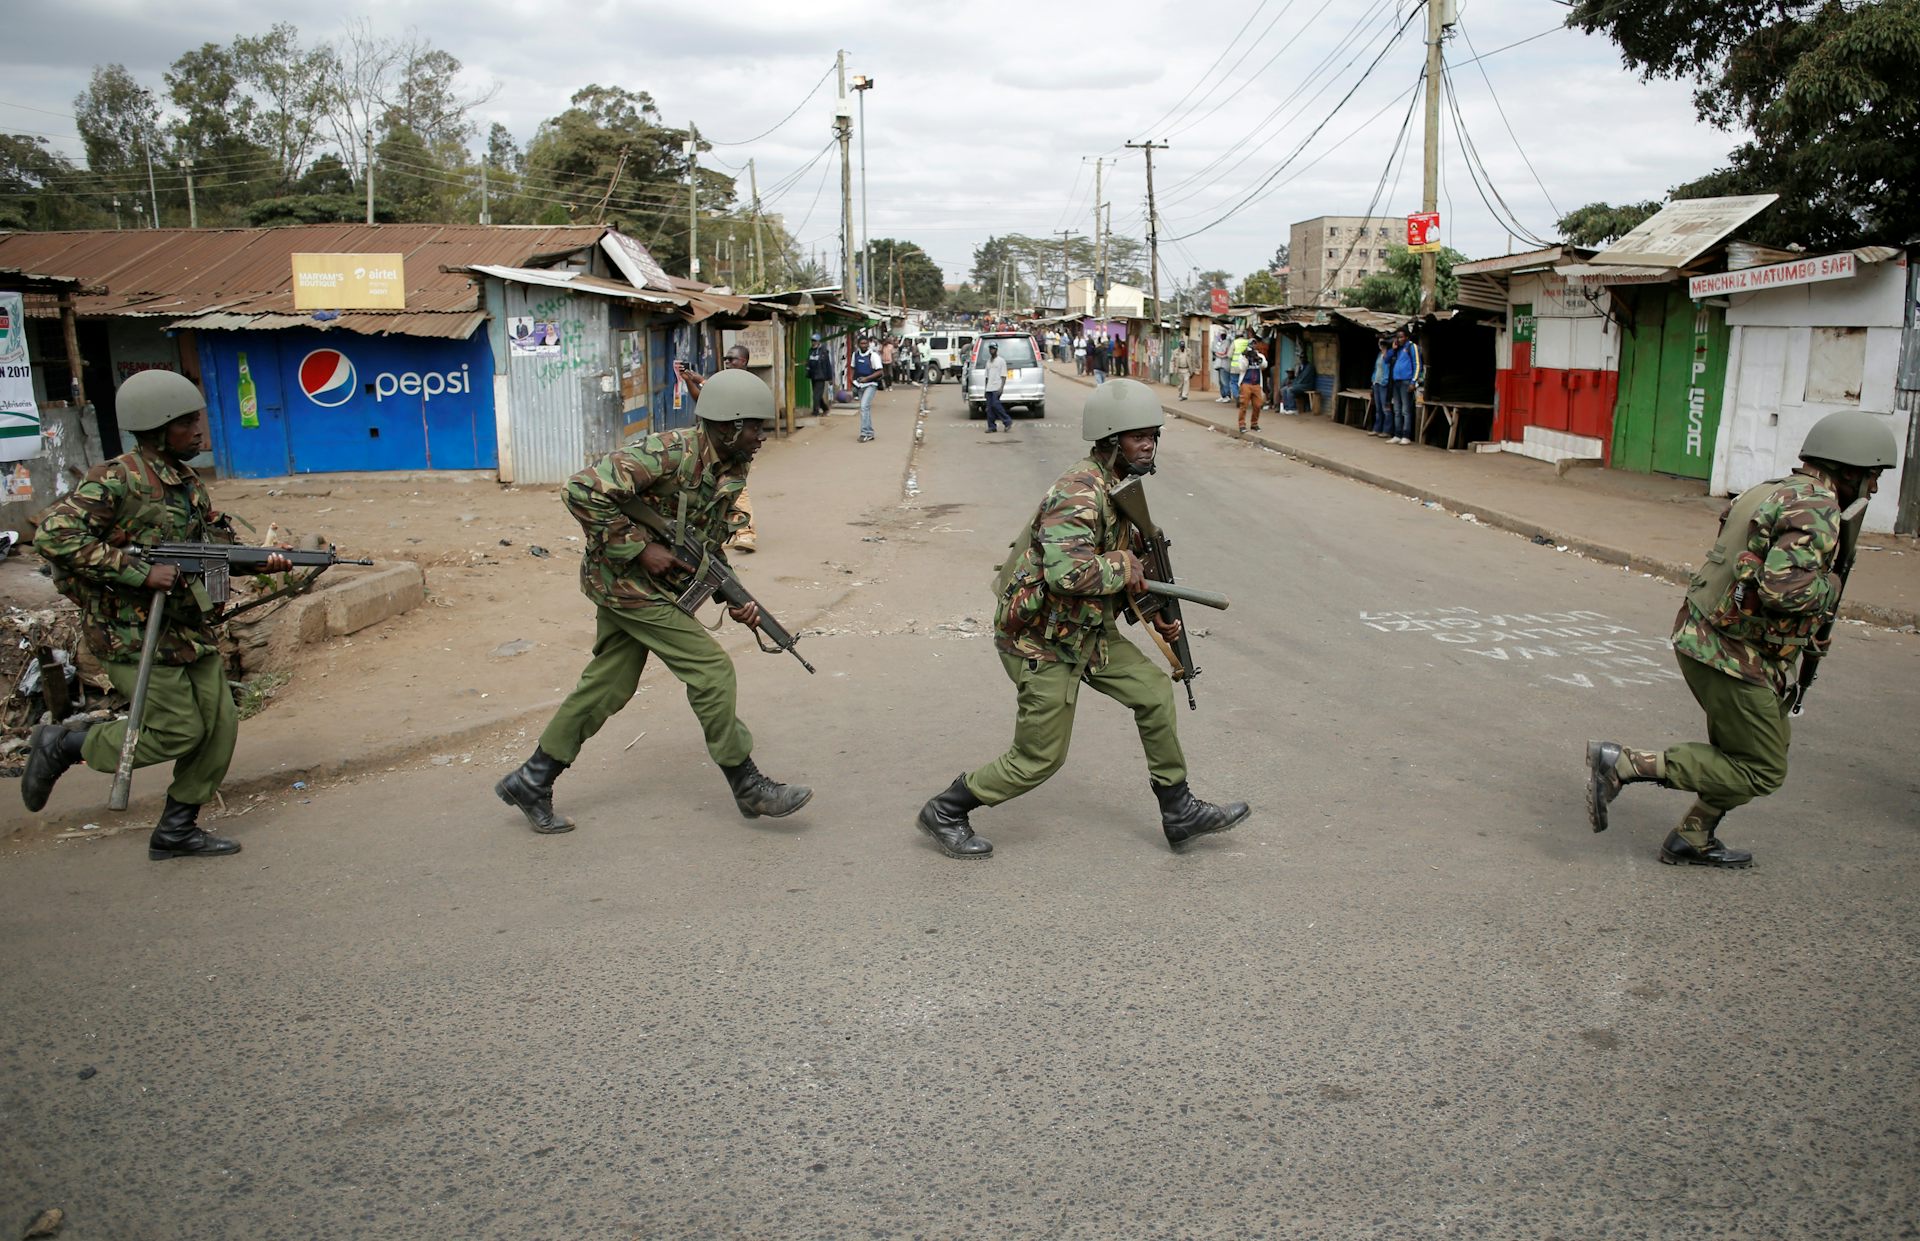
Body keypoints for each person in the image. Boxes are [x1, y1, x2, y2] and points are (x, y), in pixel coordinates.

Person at [913, 378, 1251, 859]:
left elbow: (1129, 564)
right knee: (1038, 759)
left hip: (1085, 630)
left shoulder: (1119, 488)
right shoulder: (1079, 491)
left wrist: (1157, 617)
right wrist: (1123, 567)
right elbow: (1067, 575)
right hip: (1040, 640)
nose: (1148, 445)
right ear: (1112, 439)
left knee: (1154, 694)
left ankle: (1179, 811)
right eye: (1138, 436)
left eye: (1153, 435)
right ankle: (946, 810)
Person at [495, 369, 811, 836]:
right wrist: (640, 547)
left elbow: (704, 541)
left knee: (608, 685)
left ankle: (532, 779)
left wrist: (736, 599)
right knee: (712, 670)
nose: (761, 436)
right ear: (727, 425)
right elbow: (580, 489)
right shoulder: (666, 453)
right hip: (627, 583)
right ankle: (747, 784)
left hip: (650, 586)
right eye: (755, 427)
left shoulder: (733, 464)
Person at [1585, 410, 1897, 868]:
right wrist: (1831, 587)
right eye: (1871, 478)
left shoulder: (1769, 490)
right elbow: (1784, 590)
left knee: (1751, 751)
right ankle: (1625, 764)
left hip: (1708, 636)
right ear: (1848, 471)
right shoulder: (1816, 506)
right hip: (1730, 655)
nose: (1872, 490)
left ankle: (1693, 836)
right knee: (1763, 768)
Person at [24, 370, 293, 859]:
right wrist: (136, 571)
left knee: (219, 728)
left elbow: (212, 550)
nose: (199, 432)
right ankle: (63, 745)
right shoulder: (116, 478)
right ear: (157, 426)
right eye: (188, 423)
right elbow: (54, 536)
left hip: (186, 627)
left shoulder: (188, 482)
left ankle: (176, 829)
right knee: (178, 730)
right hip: (129, 631)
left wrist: (262, 559)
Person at [675, 346, 760, 552]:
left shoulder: (746, 383)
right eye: (726, 358)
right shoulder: (721, 380)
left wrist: (700, 379)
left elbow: (722, 396)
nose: (728, 362)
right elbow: (702, 401)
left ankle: (746, 533)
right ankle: (726, 531)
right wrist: (688, 380)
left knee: (737, 486)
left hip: (736, 443)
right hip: (713, 445)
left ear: (745, 361)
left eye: (733, 359)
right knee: (713, 487)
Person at [1386, 327, 1423, 445]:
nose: (1399, 339)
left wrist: (1413, 381)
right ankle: (1397, 434)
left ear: (1407, 337)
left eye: (1401, 337)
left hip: (1406, 382)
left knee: (1405, 410)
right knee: (1396, 410)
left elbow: (1417, 364)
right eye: (1398, 337)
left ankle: (1406, 435)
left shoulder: (1412, 347)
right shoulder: (1397, 349)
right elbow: (1386, 359)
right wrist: (1393, 349)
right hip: (1396, 381)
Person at [852, 333, 881, 442]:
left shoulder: (873, 356)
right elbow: (853, 368)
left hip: (871, 385)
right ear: (858, 344)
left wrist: (867, 379)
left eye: (865, 343)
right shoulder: (855, 355)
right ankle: (869, 432)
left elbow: (880, 372)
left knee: (864, 407)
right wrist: (853, 381)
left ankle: (865, 433)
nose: (863, 345)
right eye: (861, 343)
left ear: (868, 344)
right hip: (859, 385)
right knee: (865, 409)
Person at [983, 343, 1013, 433]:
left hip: (997, 387)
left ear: (996, 350)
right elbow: (987, 376)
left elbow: (1004, 375)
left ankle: (1007, 421)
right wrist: (985, 388)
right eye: (990, 349)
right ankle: (991, 426)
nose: (992, 350)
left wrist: (1001, 388)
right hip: (989, 388)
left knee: (996, 405)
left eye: (993, 349)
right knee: (989, 408)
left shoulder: (1001, 361)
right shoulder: (988, 362)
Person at [1237, 337, 1265, 433]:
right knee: (1243, 405)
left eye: (1254, 344)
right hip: (1246, 383)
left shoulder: (1259, 355)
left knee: (1258, 405)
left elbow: (1264, 365)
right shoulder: (1243, 356)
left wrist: (1258, 358)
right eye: (1251, 344)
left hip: (1256, 384)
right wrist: (1247, 358)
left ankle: (1254, 424)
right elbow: (1242, 368)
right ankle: (1241, 424)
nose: (1253, 346)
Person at [806, 334, 835, 417]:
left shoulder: (823, 351)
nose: (813, 342)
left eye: (815, 341)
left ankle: (815, 412)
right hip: (813, 375)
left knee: (816, 395)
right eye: (812, 340)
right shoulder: (811, 350)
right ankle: (825, 409)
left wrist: (830, 378)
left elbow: (827, 365)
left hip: (821, 376)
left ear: (818, 341)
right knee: (818, 395)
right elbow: (809, 361)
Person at [1369, 336, 1393, 436]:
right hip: (1376, 383)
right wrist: (1373, 380)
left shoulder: (1389, 354)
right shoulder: (1379, 354)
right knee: (1378, 408)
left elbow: (1388, 368)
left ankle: (1387, 430)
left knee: (1386, 408)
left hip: (1384, 384)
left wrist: (1386, 380)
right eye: (1379, 343)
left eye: (1382, 343)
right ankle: (1377, 429)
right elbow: (1376, 368)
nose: (1380, 345)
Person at [1213, 328, 1233, 403]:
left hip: (1225, 365)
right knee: (1221, 382)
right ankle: (1223, 395)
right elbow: (1215, 350)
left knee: (1225, 381)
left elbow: (1224, 353)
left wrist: (1217, 354)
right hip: (1219, 365)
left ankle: (1227, 396)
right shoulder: (1220, 343)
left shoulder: (1227, 343)